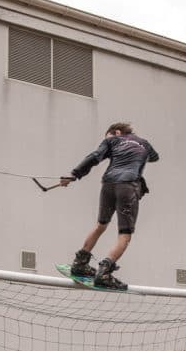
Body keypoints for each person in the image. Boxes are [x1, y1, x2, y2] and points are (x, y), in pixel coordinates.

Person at [60, 122, 159, 290]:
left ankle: (80, 263)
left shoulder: (112, 141)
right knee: (125, 235)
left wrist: (73, 175)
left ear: (117, 132)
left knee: (101, 225)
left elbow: (95, 157)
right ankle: (104, 273)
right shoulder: (144, 143)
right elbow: (155, 157)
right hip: (128, 186)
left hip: (109, 184)